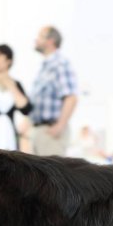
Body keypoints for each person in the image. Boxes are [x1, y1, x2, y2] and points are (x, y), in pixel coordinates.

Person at [30, 26, 79, 156]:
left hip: (51, 132)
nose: (36, 39)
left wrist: (60, 126)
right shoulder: (44, 68)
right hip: (39, 131)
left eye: (40, 36)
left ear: (50, 41)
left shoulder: (60, 64)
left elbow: (70, 97)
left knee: (50, 175)